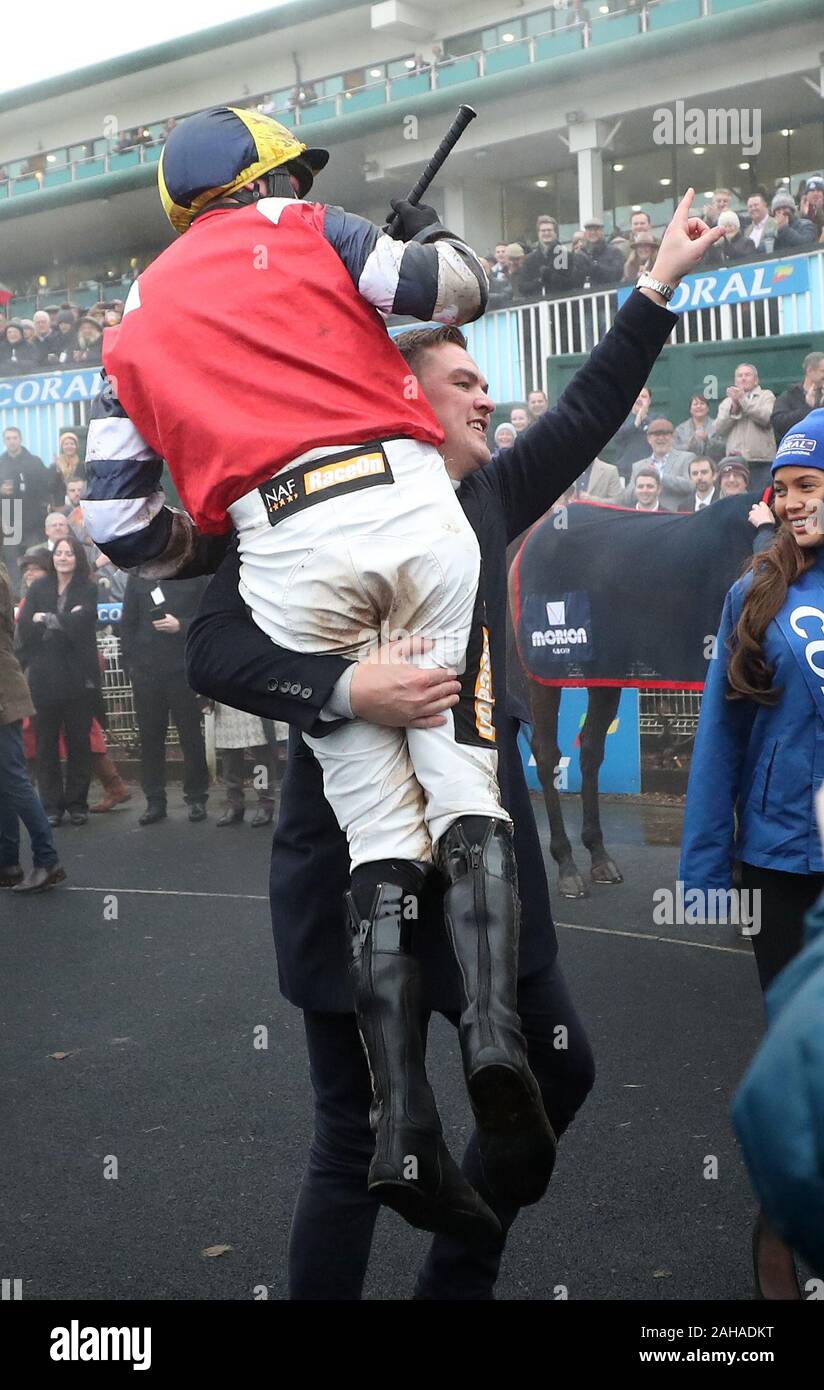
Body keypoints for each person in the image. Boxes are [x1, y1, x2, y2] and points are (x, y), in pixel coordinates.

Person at [186, 203, 711, 1295]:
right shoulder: (292, 512)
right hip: (347, 863)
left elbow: (583, 409)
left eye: (485, 380)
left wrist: (656, 283)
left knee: (556, 1072)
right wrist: (344, 685)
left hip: (486, 866)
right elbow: (214, 649)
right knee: (355, 1142)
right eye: (461, 378)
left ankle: (453, 1280)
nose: (487, 394)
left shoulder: (484, 495)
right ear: (392, 394)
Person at [680, 408, 824, 1299]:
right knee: (802, 1071)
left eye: (810, 484)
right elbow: (719, 738)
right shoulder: (755, 592)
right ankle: (782, 1270)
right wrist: (702, 875)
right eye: (785, 487)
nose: (791, 501)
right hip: (780, 871)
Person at [14, 536, 101, 827]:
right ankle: (50, 806)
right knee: (45, 745)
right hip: (44, 678)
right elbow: (25, 626)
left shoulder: (88, 588)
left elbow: (84, 622)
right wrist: (63, 619)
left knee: (79, 744)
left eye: (69, 553)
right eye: (59, 553)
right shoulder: (38, 587)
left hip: (79, 679)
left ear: (78, 557)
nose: (63, 558)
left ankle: (78, 804)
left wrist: (47, 619)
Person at [119, 574, 210, 826]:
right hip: (147, 673)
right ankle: (155, 800)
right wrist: (131, 667)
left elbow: (208, 619)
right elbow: (127, 623)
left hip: (183, 671)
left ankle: (196, 797)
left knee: (190, 735)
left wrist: (180, 624)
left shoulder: (193, 574)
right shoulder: (138, 577)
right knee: (150, 739)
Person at [0, 561, 66, 892]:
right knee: (7, 781)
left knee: (15, 779)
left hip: (3, 693)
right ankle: (8, 863)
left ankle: (47, 859)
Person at [209, 702, 280, 826]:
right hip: (226, 696)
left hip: (252, 692)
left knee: (261, 753)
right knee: (229, 751)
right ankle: (235, 804)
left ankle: (265, 803)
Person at [714, 363, 776, 495]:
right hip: (736, 463)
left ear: (756, 380)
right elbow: (719, 429)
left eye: (747, 375)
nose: (743, 378)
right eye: (740, 375)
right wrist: (734, 408)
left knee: (761, 498)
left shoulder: (766, 396)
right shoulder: (727, 402)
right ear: (735, 381)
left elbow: (767, 418)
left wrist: (743, 402)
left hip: (761, 462)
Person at [624, 417, 695, 511]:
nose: (661, 438)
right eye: (656, 435)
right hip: (645, 516)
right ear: (649, 439)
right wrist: (644, 483)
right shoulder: (638, 466)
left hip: (675, 515)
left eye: (665, 434)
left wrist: (660, 476)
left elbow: (691, 486)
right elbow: (628, 498)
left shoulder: (686, 458)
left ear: (672, 437)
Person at [771, 350, 824, 442]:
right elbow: (779, 424)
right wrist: (807, 408)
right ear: (810, 371)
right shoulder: (789, 396)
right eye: (823, 371)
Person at [610, 385, 652, 481]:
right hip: (625, 472)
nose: (639, 399)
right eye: (636, 395)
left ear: (649, 401)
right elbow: (617, 436)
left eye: (643, 396)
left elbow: (659, 431)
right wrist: (635, 423)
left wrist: (644, 417)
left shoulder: (657, 418)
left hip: (650, 471)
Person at [673, 391, 718, 456]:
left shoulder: (717, 425)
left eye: (702, 403)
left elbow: (722, 447)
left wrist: (707, 440)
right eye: (695, 404)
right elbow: (675, 449)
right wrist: (689, 444)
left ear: (708, 408)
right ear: (690, 410)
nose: (699, 406)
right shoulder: (680, 429)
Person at [49, 431, 86, 509]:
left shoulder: (82, 465)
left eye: (72, 444)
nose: (69, 446)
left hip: (78, 504)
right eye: (66, 444)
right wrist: (58, 472)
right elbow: (51, 487)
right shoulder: (55, 465)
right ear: (62, 447)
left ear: (76, 446)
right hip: (60, 504)